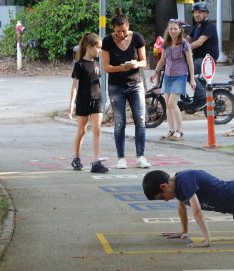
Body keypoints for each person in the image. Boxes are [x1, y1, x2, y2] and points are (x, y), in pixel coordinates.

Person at [101, 7, 150, 169]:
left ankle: (141, 156)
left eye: (124, 31)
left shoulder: (137, 38)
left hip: (135, 84)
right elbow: (106, 67)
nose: (121, 35)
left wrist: (136, 64)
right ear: (113, 29)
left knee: (140, 120)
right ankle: (121, 158)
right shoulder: (107, 41)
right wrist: (120, 68)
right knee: (120, 122)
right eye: (118, 32)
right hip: (116, 85)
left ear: (128, 26)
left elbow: (144, 62)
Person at [69, 32, 109, 173]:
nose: (99, 50)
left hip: (96, 99)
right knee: (82, 130)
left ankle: (96, 162)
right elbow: (75, 86)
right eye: (98, 47)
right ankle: (76, 158)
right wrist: (71, 105)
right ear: (89, 47)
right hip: (83, 100)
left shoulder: (97, 64)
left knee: (97, 129)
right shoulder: (79, 65)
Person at [150, 20, 196, 141]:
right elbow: (162, 60)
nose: (173, 31)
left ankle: (179, 131)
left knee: (172, 103)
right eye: (171, 29)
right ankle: (171, 130)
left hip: (180, 75)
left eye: (175, 29)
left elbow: (190, 62)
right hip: (168, 76)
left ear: (180, 30)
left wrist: (192, 79)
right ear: (168, 30)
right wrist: (155, 72)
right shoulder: (166, 44)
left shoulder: (185, 44)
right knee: (168, 105)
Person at [187, 1, 219, 107]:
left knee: (186, 72)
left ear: (206, 13)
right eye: (195, 12)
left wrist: (184, 48)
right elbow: (188, 40)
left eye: (200, 12)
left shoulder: (209, 26)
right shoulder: (197, 27)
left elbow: (199, 42)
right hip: (197, 58)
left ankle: (202, 95)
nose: (197, 14)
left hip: (207, 60)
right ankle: (196, 98)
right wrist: (174, 44)